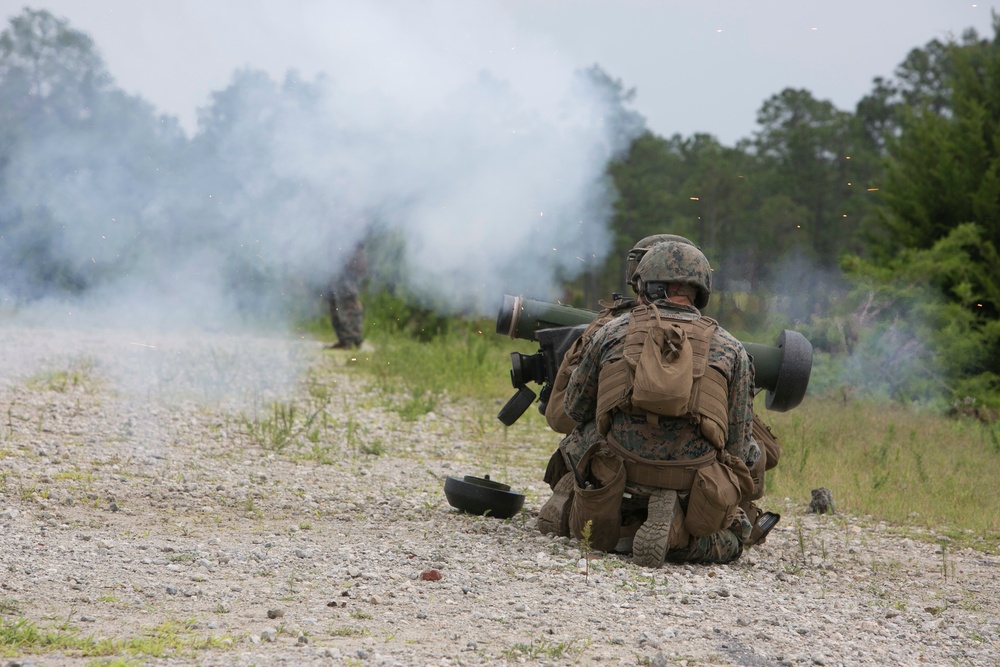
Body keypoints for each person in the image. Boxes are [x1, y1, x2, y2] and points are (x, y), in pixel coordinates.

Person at [538, 235, 780, 555]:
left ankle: (575, 504)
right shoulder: (732, 349)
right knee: (736, 538)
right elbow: (737, 445)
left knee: (585, 433)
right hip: (692, 484)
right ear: (699, 290)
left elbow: (574, 409)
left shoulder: (611, 332)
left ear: (648, 286)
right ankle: (678, 534)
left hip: (617, 473)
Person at [326, 241, 367, 350]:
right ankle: (345, 340)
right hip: (340, 267)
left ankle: (352, 340)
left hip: (349, 264)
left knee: (349, 303)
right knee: (336, 304)